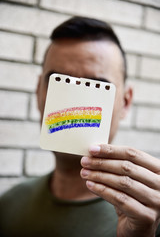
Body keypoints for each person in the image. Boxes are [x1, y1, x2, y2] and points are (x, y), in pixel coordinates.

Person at [0, 16, 160, 237]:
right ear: (38, 91)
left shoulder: (150, 219)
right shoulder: (7, 205)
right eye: (59, 81)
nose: (74, 105)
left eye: (97, 86)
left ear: (125, 101)